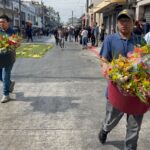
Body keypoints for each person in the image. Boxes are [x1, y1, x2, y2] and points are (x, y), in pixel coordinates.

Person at [99, 9, 146, 150]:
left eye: (127, 20)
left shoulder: (140, 40)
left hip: (136, 91)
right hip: (116, 90)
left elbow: (146, 61)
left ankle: (130, 147)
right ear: (118, 23)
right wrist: (111, 72)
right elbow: (103, 60)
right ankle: (105, 129)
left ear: (133, 23)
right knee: (111, 119)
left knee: (134, 126)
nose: (124, 23)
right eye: (121, 20)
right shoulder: (110, 39)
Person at [0, 15, 17, 103]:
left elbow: (16, 44)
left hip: (9, 58)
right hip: (0, 57)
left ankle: (6, 95)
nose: (1, 24)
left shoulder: (12, 32)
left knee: (5, 75)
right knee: (1, 76)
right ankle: (10, 83)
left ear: (8, 22)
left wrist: (14, 45)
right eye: (0, 22)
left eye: (3, 22)